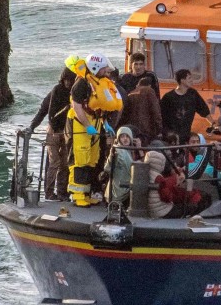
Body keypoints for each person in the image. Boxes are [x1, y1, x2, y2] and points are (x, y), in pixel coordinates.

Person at [65, 53, 124, 207]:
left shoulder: (98, 82)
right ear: (95, 67)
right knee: (80, 157)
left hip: (95, 121)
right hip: (80, 122)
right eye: (104, 68)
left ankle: (86, 192)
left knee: (92, 158)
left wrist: (105, 124)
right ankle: (77, 194)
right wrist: (87, 126)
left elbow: (98, 106)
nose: (106, 71)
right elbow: (77, 107)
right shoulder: (82, 84)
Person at [28, 65, 76, 201]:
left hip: (65, 131)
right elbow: (47, 112)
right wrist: (33, 126)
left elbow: (43, 112)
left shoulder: (70, 93)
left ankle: (61, 192)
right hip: (56, 130)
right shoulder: (58, 91)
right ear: (62, 79)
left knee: (64, 164)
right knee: (54, 162)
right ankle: (50, 193)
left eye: (70, 80)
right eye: (66, 79)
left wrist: (33, 126)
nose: (68, 82)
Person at [144, 150, 210, 219]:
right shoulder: (159, 178)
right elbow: (167, 197)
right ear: (160, 164)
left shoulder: (146, 174)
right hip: (163, 211)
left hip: (153, 209)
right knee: (192, 206)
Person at [160, 68, 214, 143]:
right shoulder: (168, 97)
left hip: (186, 135)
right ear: (182, 80)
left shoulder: (193, 94)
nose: (192, 80)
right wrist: (167, 133)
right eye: (189, 78)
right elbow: (161, 116)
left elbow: (203, 109)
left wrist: (213, 123)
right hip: (171, 137)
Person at [120, 75, 163, 143]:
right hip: (146, 129)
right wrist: (159, 129)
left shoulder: (130, 93)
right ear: (149, 85)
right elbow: (156, 111)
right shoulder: (149, 91)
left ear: (138, 84)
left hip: (132, 128)